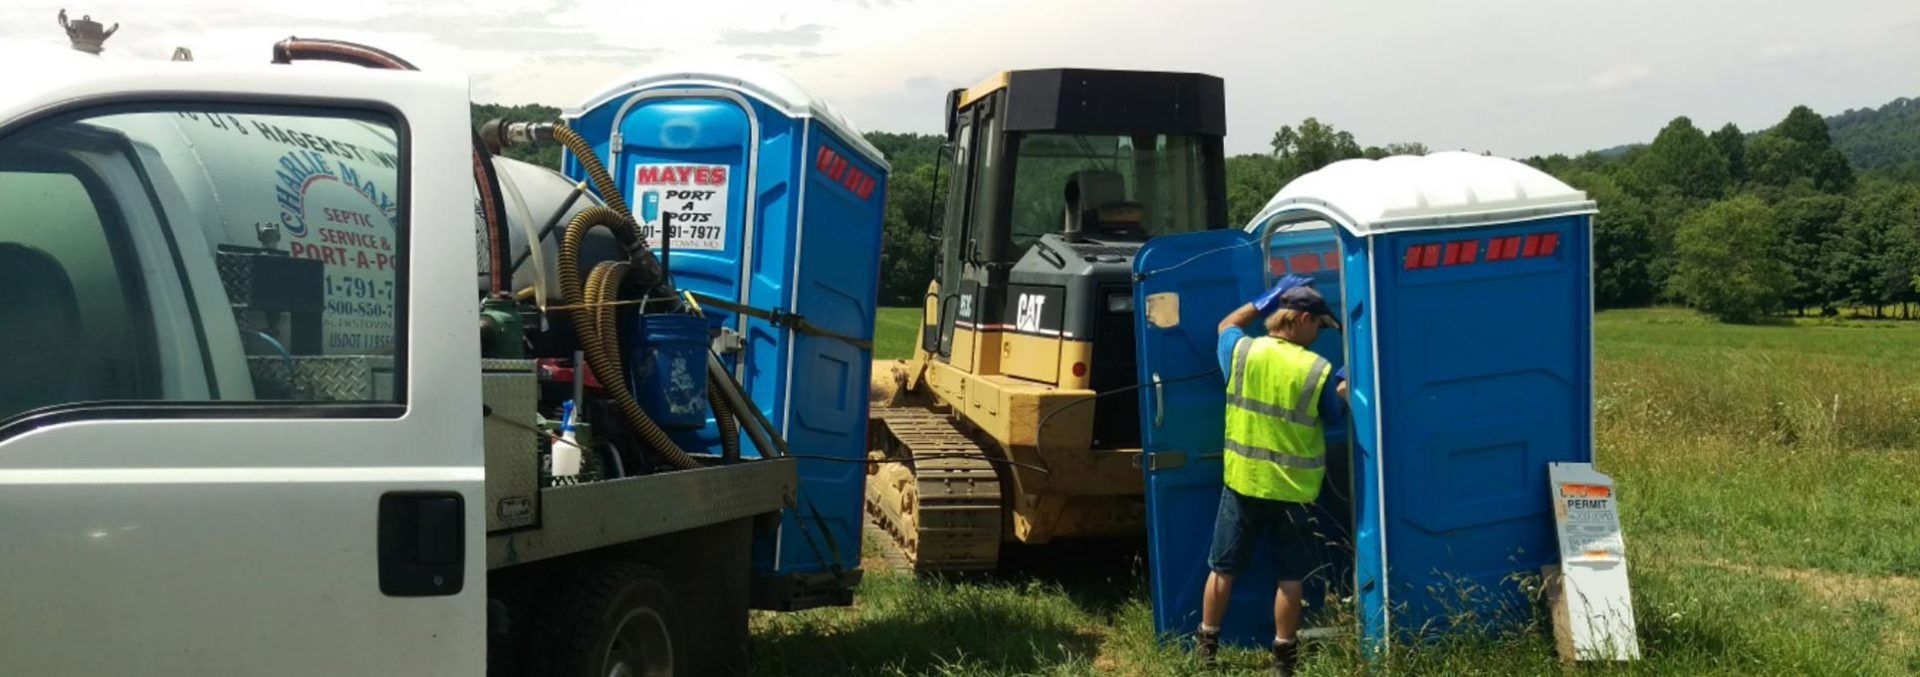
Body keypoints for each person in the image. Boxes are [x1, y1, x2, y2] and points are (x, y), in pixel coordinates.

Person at [1196, 275, 1348, 676]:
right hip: (1294, 493)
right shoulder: (1317, 369)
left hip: (1243, 484)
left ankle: (1206, 649)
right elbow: (1334, 416)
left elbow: (1225, 326)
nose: (1318, 333)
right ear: (1299, 318)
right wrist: (1347, 383)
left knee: (1223, 569)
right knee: (1290, 577)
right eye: (1317, 324)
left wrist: (1265, 300)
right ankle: (1283, 660)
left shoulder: (1244, 352)